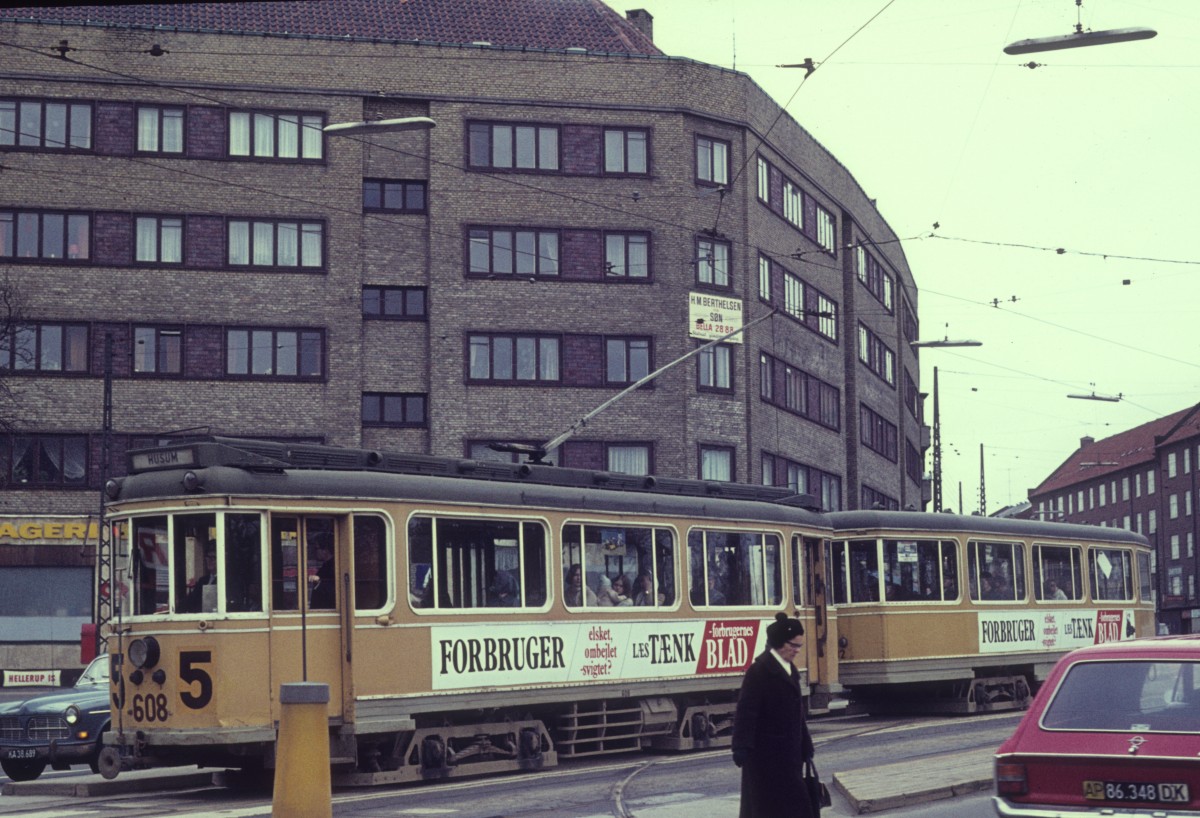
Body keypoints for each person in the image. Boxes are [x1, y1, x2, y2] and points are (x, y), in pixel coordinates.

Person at [731, 612, 816, 818]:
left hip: (789, 755)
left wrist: (806, 744)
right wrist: (741, 746)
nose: (797, 651)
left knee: (796, 806)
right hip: (765, 759)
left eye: (799, 646)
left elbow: (798, 715)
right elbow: (746, 712)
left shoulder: (790, 670)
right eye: (794, 646)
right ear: (779, 644)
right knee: (768, 809)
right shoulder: (759, 671)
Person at [184, 547, 218, 612]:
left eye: (213, 558)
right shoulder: (202, 580)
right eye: (207, 557)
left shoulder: (225, 581)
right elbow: (191, 601)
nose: (209, 561)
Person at [308, 539, 336, 609]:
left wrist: (319, 580)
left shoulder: (332, 566)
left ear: (325, 550)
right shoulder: (326, 565)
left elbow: (331, 587)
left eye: (317, 549)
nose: (316, 552)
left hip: (326, 608)